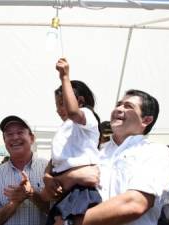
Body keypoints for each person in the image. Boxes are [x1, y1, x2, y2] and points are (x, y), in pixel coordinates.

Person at [45, 89, 169, 225]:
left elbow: (135, 203)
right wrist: (68, 176)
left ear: (146, 120)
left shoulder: (154, 151)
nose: (119, 108)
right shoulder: (97, 152)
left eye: (128, 106)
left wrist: (71, 222)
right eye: (118, 104)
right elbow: (52, 193)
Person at [42, 58, 102, 225]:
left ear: (80, 101)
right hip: (65, 191)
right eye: (57, 104)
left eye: (62, 103)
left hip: (82, 191)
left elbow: (74, 112)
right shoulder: (64, 129)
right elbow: (55, 161)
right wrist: (47, 176)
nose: (59, 109)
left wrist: (65, 78)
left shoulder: (86, 116)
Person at [0, 115, 49, 225]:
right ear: (5, 141)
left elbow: (59, 210)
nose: (14, 137)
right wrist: (14, 202)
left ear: (32, 138)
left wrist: (31, 194)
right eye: (9, 134)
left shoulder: (47, 169)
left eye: (20, 132)